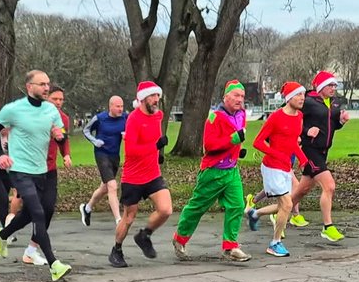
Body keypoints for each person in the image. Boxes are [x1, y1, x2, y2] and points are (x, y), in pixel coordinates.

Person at [0, 68, 71, 282]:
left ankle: (2, 234)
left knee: (29, 214)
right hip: (19, 169)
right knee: (38, 213)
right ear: (29, 87)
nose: (46, 88)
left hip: (41, 171)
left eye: (47, 84)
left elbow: (60, 138)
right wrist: (1, 156)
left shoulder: (51, 112)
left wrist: (60, 137)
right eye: (42, 84)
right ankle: (54, 264)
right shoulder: (14, 109)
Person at [172, 80, 252, 263]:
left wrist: (237, 150)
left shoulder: (242, 114)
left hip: (231, 170)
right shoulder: (214, 118)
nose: (240, 100)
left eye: (242, 96)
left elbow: (237, 139)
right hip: (213, 171)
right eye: (236, 96)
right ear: (226, 97)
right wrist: (233, 140)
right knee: (198, 207)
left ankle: (230, 246)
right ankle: (180, 238)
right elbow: (209, 145)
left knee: (237, 205)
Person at [108, 82, 173, 267]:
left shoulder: (158, 115)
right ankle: (116, 250)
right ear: (143, 98)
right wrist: (155, 146)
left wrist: (159, 155)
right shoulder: (134, 119)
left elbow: (155, 137)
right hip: (133, 176)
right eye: (152, 96)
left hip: (153, 173)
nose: (156, 100)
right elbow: (131, 150)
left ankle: (144, 235)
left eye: (157, 96)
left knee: (166, 209)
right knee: (129, 217)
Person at [244, 81, 305, 256]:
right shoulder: (276, 117)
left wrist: (302, 159)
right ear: (288, 98)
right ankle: (275, 243)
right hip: (272, 167)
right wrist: (277, 154)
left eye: (303, 94)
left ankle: (254, 213)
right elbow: (257, 142)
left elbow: (293, 141)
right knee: (287, 203)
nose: (301, 98)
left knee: (284, 204)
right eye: (297, 95)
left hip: (286, 166)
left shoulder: (299, 117)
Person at [290, 69, 350, 242]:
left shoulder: (334, 103)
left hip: (323, 151)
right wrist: (307, 131)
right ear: (321, 86)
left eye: (335, 85)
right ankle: (327, 227)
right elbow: (290, 118)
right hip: (309, 150)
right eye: (330, 85)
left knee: (302, 191)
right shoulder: (308, 102)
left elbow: (332, 125)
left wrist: (341, 121)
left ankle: (277, 213)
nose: (333, 88)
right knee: (329, 186)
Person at [20, 84, 73, 265]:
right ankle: (5, 235)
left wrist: (65, 154)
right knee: (33, 213)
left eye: (61, 100)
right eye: (54, 99)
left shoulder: (63, 119)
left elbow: (63, 139)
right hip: (31, 170)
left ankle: (30, 250)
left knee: (48, 209)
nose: (58, 103)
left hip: (50, 170)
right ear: (46, 98)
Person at [80, 95, 127, 226]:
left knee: (105, 187)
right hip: (101, 154)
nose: (120, 109)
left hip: (114, 156)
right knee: (112, 185)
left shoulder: (125, 118)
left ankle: (87, 208)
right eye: (117, 106)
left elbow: (132, 129)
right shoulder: (100, 118)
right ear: (110, 106)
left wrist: (127, 135)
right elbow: (86, 130)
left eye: (122, 106)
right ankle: (118, 220)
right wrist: (95, 141)